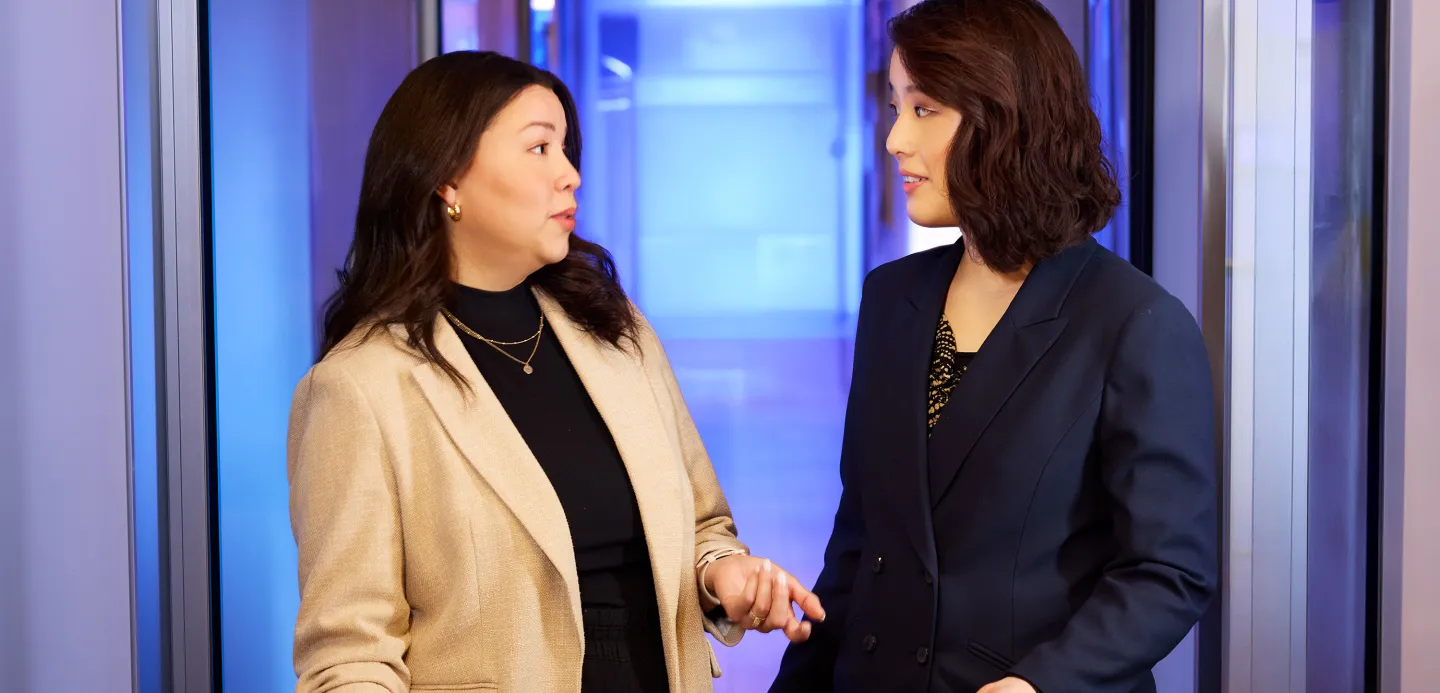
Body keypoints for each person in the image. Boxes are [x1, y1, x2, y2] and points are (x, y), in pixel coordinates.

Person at [288, 50, 823, 693]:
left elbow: (705, 528)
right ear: (447, 180)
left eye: (566, 150)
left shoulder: (613, 330)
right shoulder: (359, 389)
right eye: (539, 148)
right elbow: (349, 659)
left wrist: (722, 575)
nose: (570, 175)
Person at [771, 1, 1218, 692]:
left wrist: (1038, 684)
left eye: (923, 110)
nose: (894, 139)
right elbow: (861, 542)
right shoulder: (893, 298)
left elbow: (1167, 571)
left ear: (1003, 118)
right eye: (895, 107)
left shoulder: (1133, 322)